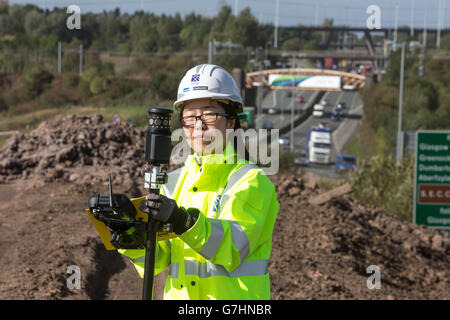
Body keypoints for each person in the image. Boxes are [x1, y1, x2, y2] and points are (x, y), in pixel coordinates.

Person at [118, 64, 279, 300]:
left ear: (231, 121)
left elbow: (232, 249)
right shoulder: (172, 182)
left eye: (209, 115)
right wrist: (128, 235)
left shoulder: (251, 181)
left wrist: (182, 221)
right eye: (190, 117)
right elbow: (158, 260)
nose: (198, 125)